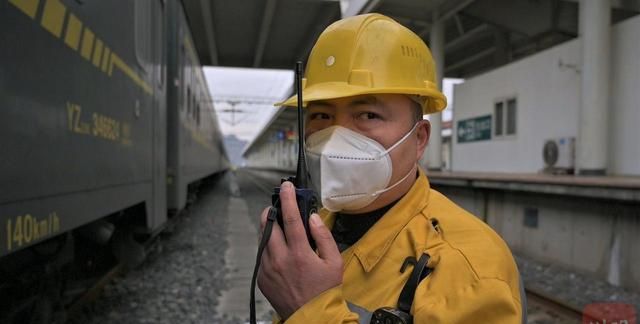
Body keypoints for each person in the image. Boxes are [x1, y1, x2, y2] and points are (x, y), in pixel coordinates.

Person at [257, 13, 525, 323]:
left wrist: (309, 309)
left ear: (419, 138)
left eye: (368, 115)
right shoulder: (314, 226)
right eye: (321, 116)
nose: (334, 139)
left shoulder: (470, 267)